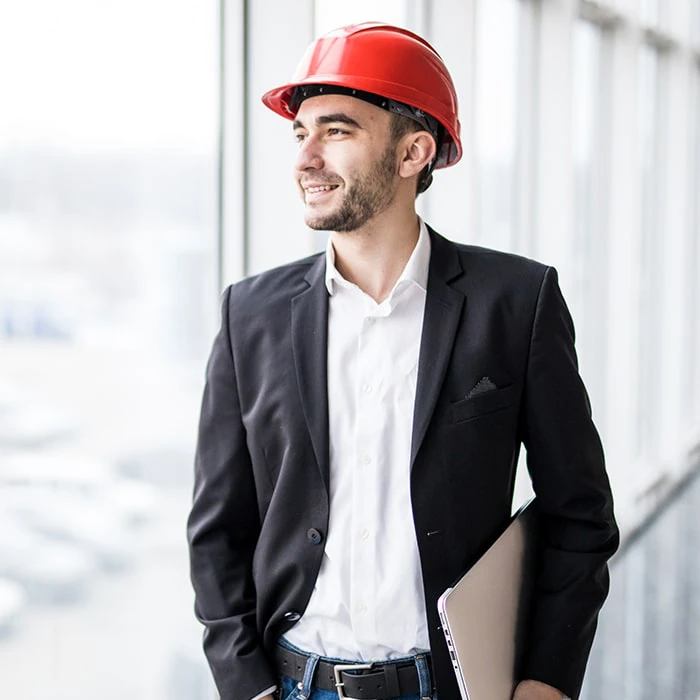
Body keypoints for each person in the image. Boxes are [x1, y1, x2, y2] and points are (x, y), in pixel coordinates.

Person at [187, 22, 619, 700]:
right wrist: (247, 686)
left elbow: (580, 514)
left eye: (336, 131)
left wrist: (545, 682)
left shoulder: (516, 302)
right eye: (300, 134)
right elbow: (217, 531)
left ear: (414, 151)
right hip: (296, 685)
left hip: (452, 686)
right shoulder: (251, 315)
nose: (306, 158)